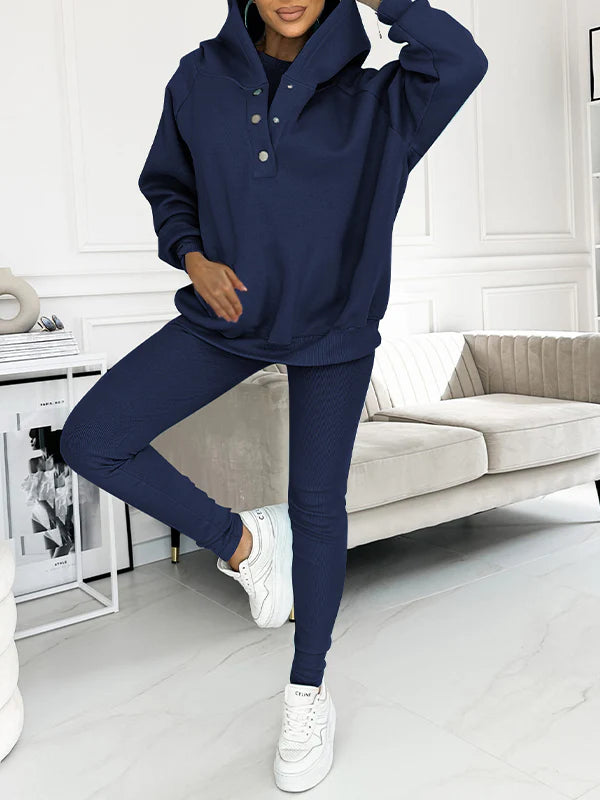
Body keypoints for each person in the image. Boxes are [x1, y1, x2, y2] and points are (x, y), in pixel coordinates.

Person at [59, 0, 487, 791]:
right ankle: (247, 546)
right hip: (227, 319)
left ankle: (307, 692)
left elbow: (463, 59)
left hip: (335, 332)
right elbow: (168, 185)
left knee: (317, 507)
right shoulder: (200, 78)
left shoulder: (383, 100)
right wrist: (191, 257)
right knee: (91, 438)